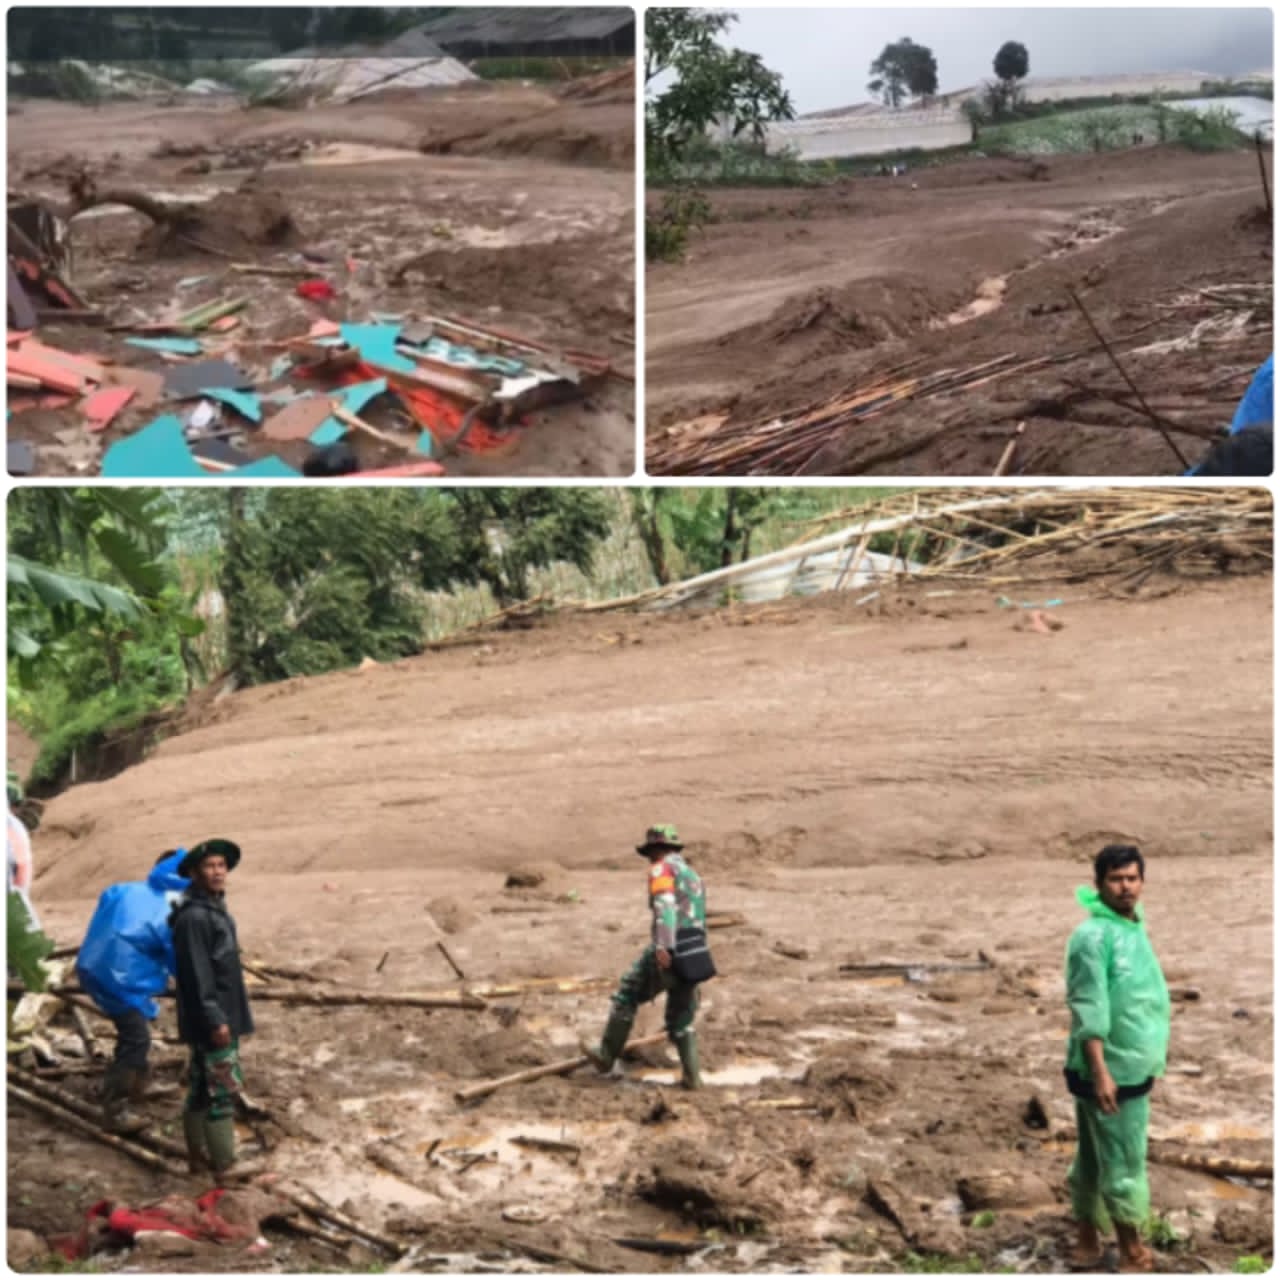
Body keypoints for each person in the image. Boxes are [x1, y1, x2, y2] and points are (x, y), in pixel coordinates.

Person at [1064, 844, 1171, 1273]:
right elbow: (1089, 1007)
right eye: (1115, 879)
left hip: (1129, 1062)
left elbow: (1141, 996)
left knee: (1092, 1155)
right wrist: (1101, 1071)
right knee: (1125, 1161)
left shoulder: (1132, 926)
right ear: (1099, 884)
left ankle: (1087, 1241)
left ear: (1142, 881)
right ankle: (1133, 1253)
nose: (1125, 887)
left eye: (1131, 878)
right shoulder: (1092, 937)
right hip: (1111, 1071)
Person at [583, 824, 714, 1090]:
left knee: (628, 991)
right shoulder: (692, 875)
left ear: (654, 850)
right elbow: (699, 915)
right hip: (695, 947)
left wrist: (663, 946)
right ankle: (693, 1078)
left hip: (672, 943)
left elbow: (665, 906)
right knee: (682, 1016)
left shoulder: (661, 869)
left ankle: (606, 1055)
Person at [77, 849, 189, 1133]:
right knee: (136, 1038)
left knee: (136, 1027)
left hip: (91, 966)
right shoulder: (175, 910)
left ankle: (138, 1085)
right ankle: (116, 1109)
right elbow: (177, 955)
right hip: (123, 981)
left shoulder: (121, 890)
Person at [169, 838, 259, 1182]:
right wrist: (215, 1018)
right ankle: (225, 1165)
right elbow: (196, 972)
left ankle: (198, 1158)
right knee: (221, 1085)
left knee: (199, 1084)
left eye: (221, 865)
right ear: (194, 872)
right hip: (212, 1015)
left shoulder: (211, 908)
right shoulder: (194, 916)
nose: (218, 872)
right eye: (209, 866)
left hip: (215, 1011)